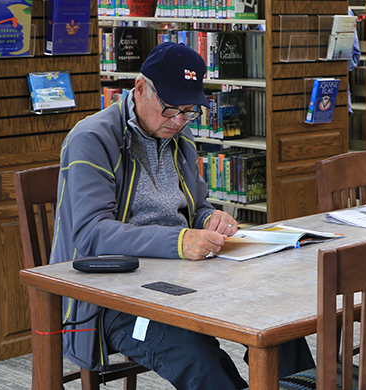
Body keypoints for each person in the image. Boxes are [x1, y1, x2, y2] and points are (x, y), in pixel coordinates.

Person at [51, 42, 314, 390]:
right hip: (112, 300)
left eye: (189, 112)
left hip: (185, 281)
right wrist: (180, 240)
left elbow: (195, 207)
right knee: (194, 353)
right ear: (141, 88)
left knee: (277, 322)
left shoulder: (180, 136)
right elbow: (91, 234)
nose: (178, 121)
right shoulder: (91, 140)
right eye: (171, 109)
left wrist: (210, 219)